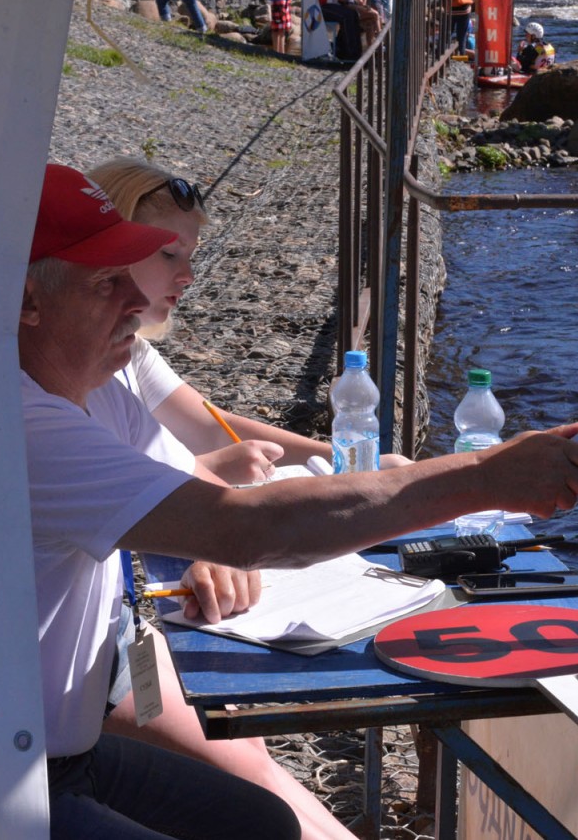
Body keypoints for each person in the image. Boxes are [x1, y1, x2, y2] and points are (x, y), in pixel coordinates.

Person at [19, 162, 578, 838]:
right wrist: (483, 475)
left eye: (131, 271)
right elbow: (247, 528)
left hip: (71, 740)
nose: (133, 298)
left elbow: (214, 507)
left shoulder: (99, 384)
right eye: (105, 282)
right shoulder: (23, 422)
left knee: (266, 820)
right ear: (28, 300)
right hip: (15, 775)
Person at [85, 156, 398, 840]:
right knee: (249, 772)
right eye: (168, 254)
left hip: (122, 631)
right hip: (89, 664)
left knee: (250, 754)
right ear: (106, 252)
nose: (187, 277)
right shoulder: (64, 388)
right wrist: (208, 515)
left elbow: (206, 431)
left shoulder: (123, 355)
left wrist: (348, 464)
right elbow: (156, 491)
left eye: (189, 257)